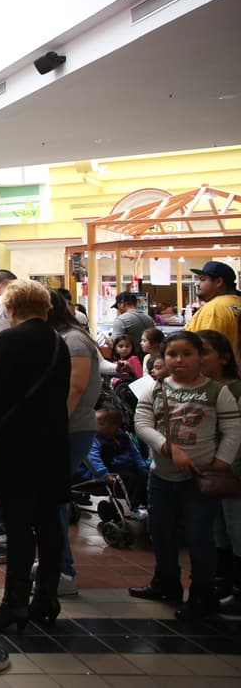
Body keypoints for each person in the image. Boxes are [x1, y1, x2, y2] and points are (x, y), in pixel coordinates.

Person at [0, 279, 72, 633]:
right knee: (48, 523)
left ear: (10, 308)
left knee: (18, 523)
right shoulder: (60, 341)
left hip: (17, 444)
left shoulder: (9, 340)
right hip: (54, 442)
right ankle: (47, 597)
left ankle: (14, 603)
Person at [131, 330, 240, 619]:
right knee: (161, 532)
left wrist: (220, 462)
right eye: (172, 355)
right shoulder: (155, 389)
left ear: (199, 357)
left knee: (199, 535)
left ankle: (203, 593)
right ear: (163, 357)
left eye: (187, 354)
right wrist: (167, 448)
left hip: (200, 478)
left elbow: (232, 429)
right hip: (162, 475)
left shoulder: (218, 391)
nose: (179, 360)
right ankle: (165, 581)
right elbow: (142, 424)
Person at [47, 287, 102, 597]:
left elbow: (76, 387)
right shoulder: (62, 338)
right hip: (64, 428)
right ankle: (56, 565)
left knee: (52, 499)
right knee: (49, 500)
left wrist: (54, 427)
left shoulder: (74, 339)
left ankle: (63, 570)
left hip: (71, 429)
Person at [197, 329, 241, 614]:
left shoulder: (234, 391)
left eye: (204, 352)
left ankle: (237, 589)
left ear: (223, 358)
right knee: (219, 530)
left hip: (232, 472)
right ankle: (222, 582)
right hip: (211, 473)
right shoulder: (201, 389)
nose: (197, 359)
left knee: (236, 529)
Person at [84, 406, 148, 509]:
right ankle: (135, 508)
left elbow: (135, 453)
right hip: (111, 469)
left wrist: (142, 467)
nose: (95, 426)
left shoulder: (124, 436)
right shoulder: (95, 439)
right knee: (129, 481)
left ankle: (148, 503)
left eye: (100, 424)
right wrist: (104, 474)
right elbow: (93, 458)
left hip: (129, 467)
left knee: (145, 477)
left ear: (113, 427)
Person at [185, 261, 241, 354]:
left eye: (202, 280)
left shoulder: (215, 308)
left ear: (219, 282)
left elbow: (206, 351)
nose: (197, 284)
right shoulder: (236, 303)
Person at [105, 293, 156, 360]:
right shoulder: (149, 319)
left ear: (123, 303)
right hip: (148, 358)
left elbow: (115, 345)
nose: (118, 310)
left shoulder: (121, 319)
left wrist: (108, 341)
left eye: (118, 307)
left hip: (130, 362)